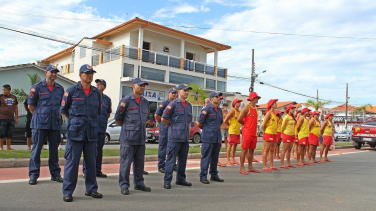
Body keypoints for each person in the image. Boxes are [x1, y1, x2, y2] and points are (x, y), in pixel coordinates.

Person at [61, 64, 103, 202]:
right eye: (86, 73)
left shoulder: (96, 93)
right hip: (75, 133)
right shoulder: (72, 91)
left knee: (91, 163)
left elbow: (97, 112)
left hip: (91, 133)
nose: (89, 75)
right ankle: (68, 191)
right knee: (72, 164)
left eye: (91, 73)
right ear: (80, 75)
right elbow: (64, 110)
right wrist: (76, 121)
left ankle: (91, 189)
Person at [28, 65, 64, 186]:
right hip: (40, 123)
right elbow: (31, 106)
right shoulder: (37, 87)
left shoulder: (60, 89)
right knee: (36, 150)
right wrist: (41, 115)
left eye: (56, 72)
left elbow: (61, 106)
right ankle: (33, 175)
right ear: (46, 72)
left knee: (54, 151)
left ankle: (55, 174)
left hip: (55, 124)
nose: (54, 74)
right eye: (52, 72)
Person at [115, 78, 151, 195]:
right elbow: (118, 119)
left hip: (140, 138)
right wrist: (128, 128)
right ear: (133, 86)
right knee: (126, 163)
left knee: (140, 163)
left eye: (144, 86)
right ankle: (124, 184)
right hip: (128, 138)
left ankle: (139, 183)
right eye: (140, 85)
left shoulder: (145, 102)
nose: (142, 87)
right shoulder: (126, 101)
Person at [161, 83, 193, 189]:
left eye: (188, 90)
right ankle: (167, 180)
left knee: (183, 160)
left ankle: (181, 179)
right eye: (185, 90)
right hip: (174, 137)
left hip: (184, 137)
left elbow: (189, 120)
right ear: (179, 92)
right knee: (171, 159)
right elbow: (164, 118)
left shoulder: (189, 106)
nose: (187, 92)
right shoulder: (173, 104)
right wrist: (171, 126)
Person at [82, 79, 112, 178]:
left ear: (104, 87)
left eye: (100, 84)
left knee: (99, 150)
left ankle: (97, 171)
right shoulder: (92, 96)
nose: (97, 85)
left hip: (101, 128)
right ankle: (86, 171)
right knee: (89, 151)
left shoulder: (107, 99)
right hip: (91, 128)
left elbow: (108, 114)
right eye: (97, 84)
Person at [198, 91, 225, 184]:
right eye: (217, 97)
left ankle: (214, 175)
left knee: (215, 157)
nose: (219, 98)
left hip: (217, 137)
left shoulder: (219, 110)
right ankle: (203, 176)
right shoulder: (206, 109)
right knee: (206, 157)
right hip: (208, 137)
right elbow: (200, 123)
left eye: (219, 97)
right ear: (212, 98)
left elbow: (220, 123)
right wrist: (207, 130)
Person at [237, 92, 261, 175]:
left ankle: (250, 167)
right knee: (244, 150)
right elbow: (239, 119)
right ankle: (242, 168)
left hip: (254, 133)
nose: (257, 99)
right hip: (247, 132)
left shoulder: (256, 108)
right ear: (252, 99)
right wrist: (245, 124)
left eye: (257, 98)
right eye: (256, 98)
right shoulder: (246, 108)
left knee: (252, 150)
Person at [154, 87, 177, 173]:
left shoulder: (176, 104)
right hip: (165, 129)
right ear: (169, 93)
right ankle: (161, 165)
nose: (173, 94)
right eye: (172, 93)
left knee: (173, 148)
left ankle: (172, 164)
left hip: (173, 129)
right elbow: (157, 115)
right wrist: (161, 123)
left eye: (175, 93)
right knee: (163, 147)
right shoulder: (164, 104)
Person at [261, 99, 279, 172]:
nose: (276, 104)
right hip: (269, 133)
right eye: (275, 103)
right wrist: (265, 132)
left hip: (274, 133)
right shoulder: (268, 113)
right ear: (271, 105)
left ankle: (272, 165)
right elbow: (263, 125)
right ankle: (264, 166)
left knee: (272, 150)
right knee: (266, 149)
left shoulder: (275, 113)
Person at [223, 99, 242, 165]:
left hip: (237, 130)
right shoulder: (232, 111)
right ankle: (228, 159)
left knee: (235, 145)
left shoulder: (239, 112)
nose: (239, 103)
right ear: (235, 103)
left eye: (239, 102)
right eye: (238, 102)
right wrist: (229, 125)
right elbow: (226, 120)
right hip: (232, 130)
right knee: (230, 145)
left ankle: (233, 158)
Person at [0, 84, 18, 150]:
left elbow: (16, 108)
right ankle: (1, 147)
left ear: (9, 90)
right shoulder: (1, 97)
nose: (3, 91)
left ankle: (8, 147)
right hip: (2, 118)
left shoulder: (14, 97)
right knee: (1, 133)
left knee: (9, 133)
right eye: (3, 90)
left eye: (5, 90)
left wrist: (16, 118)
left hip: (11, 118)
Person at [280, 105, 297, 169]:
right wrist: (282, 133)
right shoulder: (286, 117)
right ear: (289, 110)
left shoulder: (293, 117)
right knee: (284, 149)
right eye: (292, 109)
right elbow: (283, 126)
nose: (293, 110)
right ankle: (282, 164)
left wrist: (295, 134)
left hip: (292, 135)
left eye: (293, 109)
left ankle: (288, 163)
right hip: (287, 134)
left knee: (289, 150)